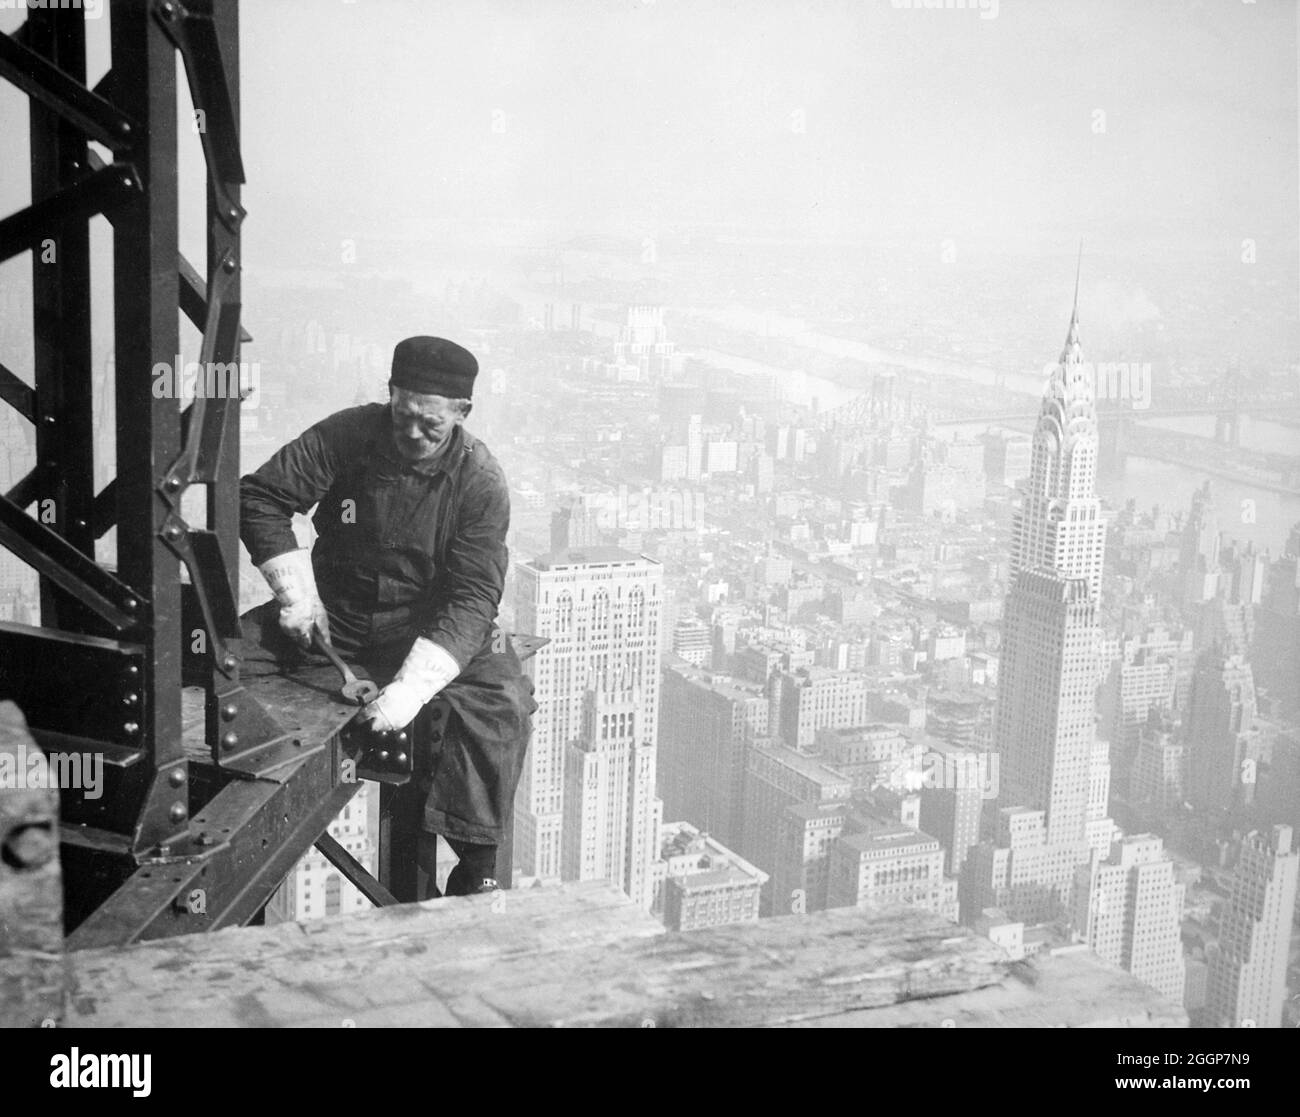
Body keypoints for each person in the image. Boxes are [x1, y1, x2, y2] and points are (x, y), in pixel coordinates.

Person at [239, 335, 535, 896]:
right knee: (222, 660)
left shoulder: (480, 480)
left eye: (431, 425)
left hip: (428, 631)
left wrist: (408, 692)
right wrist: (296, 595)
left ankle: (478, 863)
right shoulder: (347, 433)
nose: (413, 434)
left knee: (502, 702)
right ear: (390, 395)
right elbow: (262, 497)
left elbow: (473, 597)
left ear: (462, 413)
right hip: (337, 618)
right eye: (403, 416)